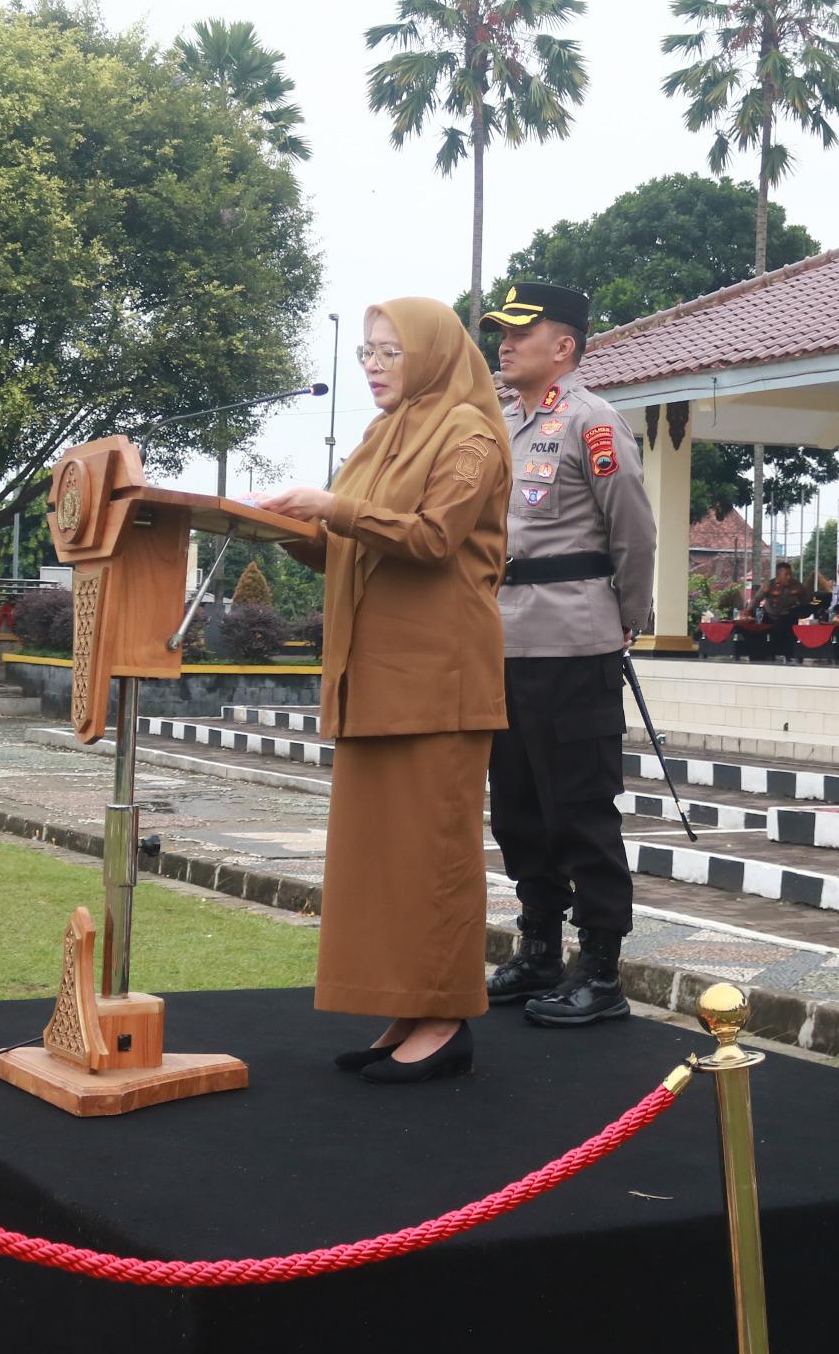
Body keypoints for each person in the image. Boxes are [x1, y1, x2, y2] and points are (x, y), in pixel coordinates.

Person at [261, 299, 510, 1082]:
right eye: (367, 352)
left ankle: (444, 1021)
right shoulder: (382, 435)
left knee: (433, 854)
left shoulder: (469, 432)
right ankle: (408, 1006)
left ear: (432, 354)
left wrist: (334, 509)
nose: (372, 365)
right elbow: (348, 548)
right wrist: (273, 526)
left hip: (439, 676)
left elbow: (434, 537)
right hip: (375, 676)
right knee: (385, 860)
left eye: (389, 352)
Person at [475, 282, 658, 1028]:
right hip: (506, 640)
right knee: (518, 809)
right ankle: (539, 949)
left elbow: (635, 534)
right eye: (500, 332)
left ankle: (602, 969)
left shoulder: (593, 422)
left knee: (580, 810)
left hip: (575, 639)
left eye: (522, 331)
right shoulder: (500, 422)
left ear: (565, 346)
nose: (504, 343)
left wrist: (624, 620)